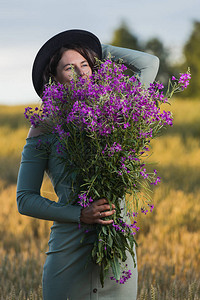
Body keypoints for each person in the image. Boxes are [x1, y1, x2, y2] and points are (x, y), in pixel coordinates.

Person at [17, 29, 159, 300]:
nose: (82, 74)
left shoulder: (115, 111)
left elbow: (149, 63)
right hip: (69, 258)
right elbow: (24, 199)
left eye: (86, 65)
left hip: (119, 261)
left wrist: (92, 48)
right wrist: (79, 215)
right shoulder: (44, 128)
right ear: (54, 79)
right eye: (70, 68)